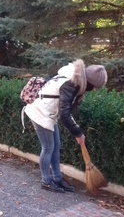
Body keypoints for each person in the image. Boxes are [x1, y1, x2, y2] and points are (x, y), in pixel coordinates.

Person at [24, 59, 107, 193]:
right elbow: (64, 114)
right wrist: (78, 134)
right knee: (48, 148)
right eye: (96, 87)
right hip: (40, 113)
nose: (95, 90)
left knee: (56, 146)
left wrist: (78, 131)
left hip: (49, 114)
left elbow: (66, 110)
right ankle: (46, 181)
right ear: (91, 82)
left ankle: (57, 179)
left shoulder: (74, 79)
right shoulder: (71, 84)